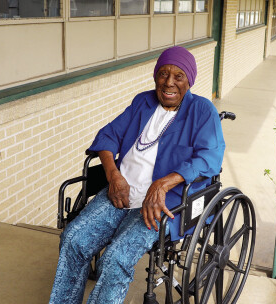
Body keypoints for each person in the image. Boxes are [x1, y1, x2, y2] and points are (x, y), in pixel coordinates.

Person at [49, 46, 225, 304]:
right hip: (120, 193)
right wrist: (113, 175)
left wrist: (163, 184)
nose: (169, 82)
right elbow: (108, 136)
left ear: (189, 80)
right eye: (163, 74)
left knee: (116, 257)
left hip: (164, 203)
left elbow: (210, 157)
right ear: (155, 76)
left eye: (178, 76)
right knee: (73, 239)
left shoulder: (202, 111)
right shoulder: (143, 102)